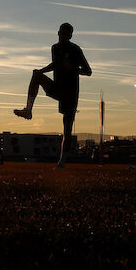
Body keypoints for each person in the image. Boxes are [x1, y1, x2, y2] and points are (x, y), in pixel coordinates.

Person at [14, 23, 92, 168]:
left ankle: (62, 161)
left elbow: (88, 71)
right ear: (58, 33)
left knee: (67, 129)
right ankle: (28, 110)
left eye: (67, 34)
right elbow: (55, 64)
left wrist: (74, 69)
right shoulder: (55, 48)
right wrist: (41, 71)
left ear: (70, 36)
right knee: (36, 75)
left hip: (70, 93)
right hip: (57, 87)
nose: (64, 36)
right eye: (62, 33)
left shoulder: (76, 50)